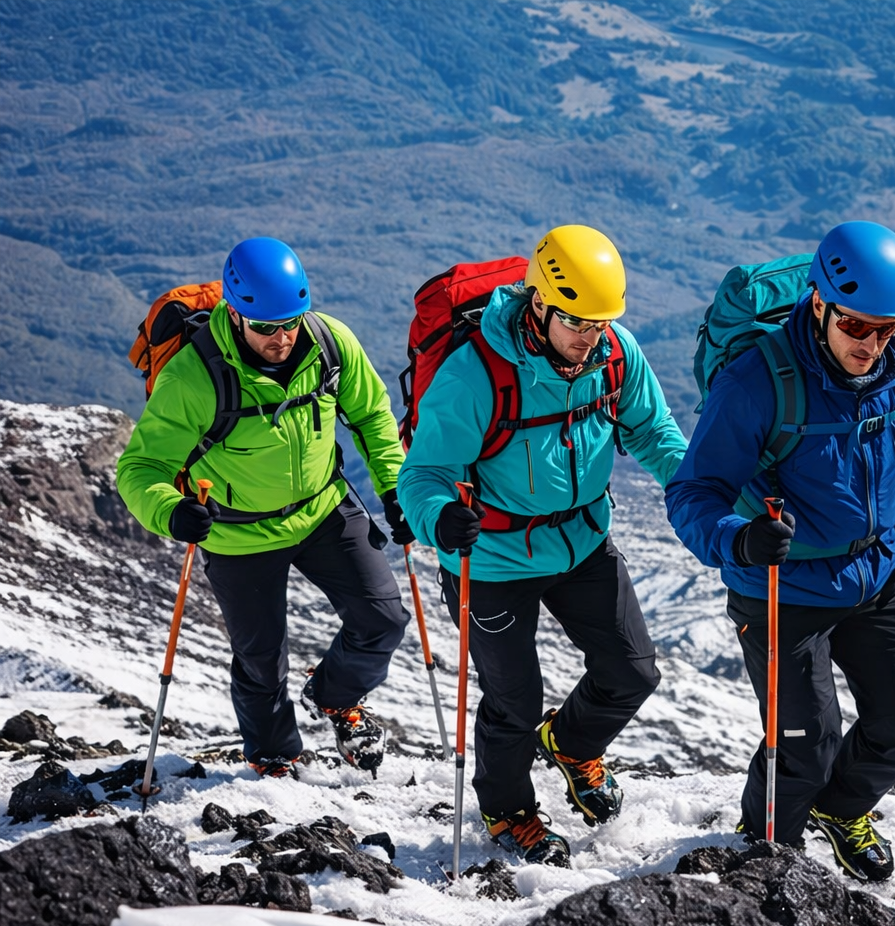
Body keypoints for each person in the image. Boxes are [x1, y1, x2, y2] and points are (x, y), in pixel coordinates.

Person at [666, 221, 895, 882]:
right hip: (781, 590)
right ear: (818, 303)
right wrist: (738, 537)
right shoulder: (758, 382)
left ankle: (841, 811)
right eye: (858, 327)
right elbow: (694, 491)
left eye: (889, 327)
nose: (873, 345)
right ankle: (767, 860)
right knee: (805, 749)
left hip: (874, 575)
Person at [397, 224, 687, 867]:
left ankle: (573, 744)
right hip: (492, 559)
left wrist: (705, 490)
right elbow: (422, 475)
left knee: (632, 670)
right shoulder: (477, 375)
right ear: (539, 304)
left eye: (601, 322)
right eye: (577, 321)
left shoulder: (614, 353)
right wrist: (439, 518)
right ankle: (508, 812)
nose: (590, 336)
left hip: (582, 539)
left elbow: (654, 432)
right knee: (515, 700)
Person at [118, 237, 412, 778]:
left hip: (324, 508)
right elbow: (139, 470)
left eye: (291, 322)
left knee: (383, 618)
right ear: (236, 312)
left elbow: (371, 416)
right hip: (237, 533)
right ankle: (274, 757)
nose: (281, 338)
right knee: (260, 660)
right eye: (266, 327)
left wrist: (395, 488)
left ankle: (336, 696)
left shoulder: (329, 342)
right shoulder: (194, 377)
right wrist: (171, 511)